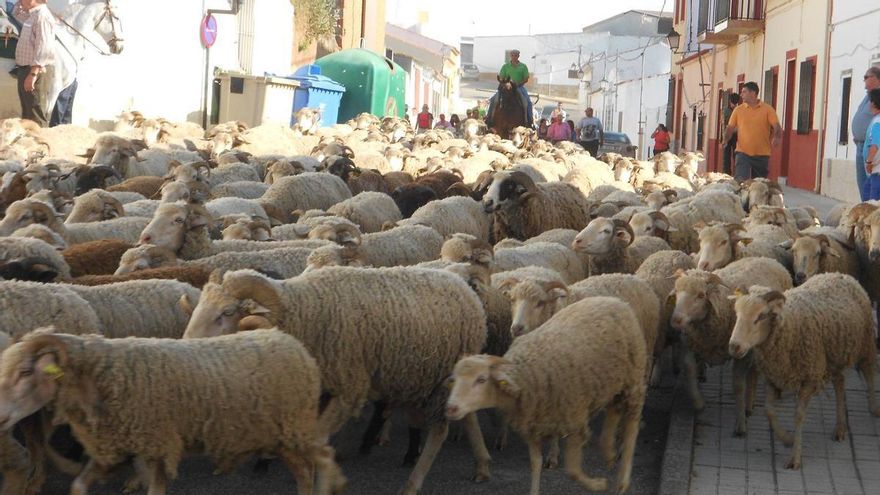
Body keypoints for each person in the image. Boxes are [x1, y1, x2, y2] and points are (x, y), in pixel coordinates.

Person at [721, 82, 782, 182]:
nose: (741, 95)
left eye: (744, 92)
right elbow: (730, 128)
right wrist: (725, 139)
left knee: (759, 185)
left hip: (762, 154)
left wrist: (777, 137)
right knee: (740, 182)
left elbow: (776, 126)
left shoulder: (767, 109)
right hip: (742, 153)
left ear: (753, 93)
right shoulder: (738, 110)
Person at [11, 0, 55, 127]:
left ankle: (39, 145)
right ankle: (30, 144)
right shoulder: (33, 14)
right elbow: (16, 13)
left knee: (35, 115)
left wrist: (33, 74)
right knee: (27, 113)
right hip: (26, 69)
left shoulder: (42, 16)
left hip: (35, 71)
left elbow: (44, 47)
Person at [485, 49, 533, 127]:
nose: (514, 57)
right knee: (494, 100)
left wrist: (518, 84)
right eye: (512, 55)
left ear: (518, 56)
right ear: (510, 56)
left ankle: (529, 120)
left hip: (519, 87)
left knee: (527, 102)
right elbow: (501, 77)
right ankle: (489, 119)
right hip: (506, 86)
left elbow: (526, 78)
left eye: (516, 55)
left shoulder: (523, 66)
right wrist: (505, 82)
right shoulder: (505, 66)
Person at [853, 66, 880, 201]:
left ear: (876, 78)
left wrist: (869, 160)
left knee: (871, 192)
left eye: (866, 77)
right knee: (864, 186)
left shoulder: (877, 97)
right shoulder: (868, 95)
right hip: (861, 146)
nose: (864, 82)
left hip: (871, 152)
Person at [862, 88, 880, 200]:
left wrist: (869, 162)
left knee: (872, 205)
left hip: (877, 171)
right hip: (875, 171)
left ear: (873, 103)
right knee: (866, 192)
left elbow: (875, 145)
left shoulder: (877, 122)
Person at [721, 93, 741, 175]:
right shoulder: (726, 111)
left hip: (736, 135)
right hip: (728, 134)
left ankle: (737, 173)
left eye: (735, 103)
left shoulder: (739, 110)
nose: (734, 105)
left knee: (736, 155)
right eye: (733, 103)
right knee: (726, 155)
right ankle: (727, 173)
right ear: (730, 102)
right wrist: (723, 138)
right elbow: (723, 124)